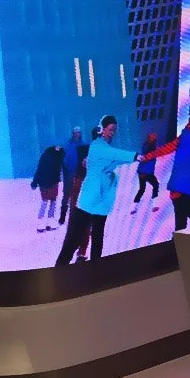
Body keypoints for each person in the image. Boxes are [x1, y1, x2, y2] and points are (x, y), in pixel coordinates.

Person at [56, 114, 133, 266]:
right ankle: (67, 262)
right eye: (109, 130)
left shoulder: (92, 149)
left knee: (92, 232)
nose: (111, 134)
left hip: (95, 197)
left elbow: (113, 161)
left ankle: (84, 259)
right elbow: (73, 165)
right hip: (85, 192)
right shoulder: (84, 148)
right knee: (80, 232)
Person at [31, 144, 63, 233]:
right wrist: (35, 182)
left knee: (47, 202)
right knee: (51, 202)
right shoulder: (58, 157)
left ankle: (43, 223)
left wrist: (34, 182)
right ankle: (47, 222)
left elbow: (39, 169)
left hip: (46, 182)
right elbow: (40, 169)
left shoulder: (46, 156)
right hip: (49, 182)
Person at [58, 127, 83, 224]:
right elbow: (64, 159)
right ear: (73, 134)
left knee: (79, 195)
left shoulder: (83, 144)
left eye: (79, 133)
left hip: (80, 174)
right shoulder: (68, 145)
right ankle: (62, 217)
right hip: (70, 174)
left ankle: (78, 217)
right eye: (76, 133)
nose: (78, 134)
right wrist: (68, 170)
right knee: (66, 196)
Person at [131, 132, 160, 210]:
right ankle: (154, 204)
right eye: (153, 138)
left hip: (142, 172)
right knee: (155, 185)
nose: (154, 140)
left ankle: (134, 207)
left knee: (142, 189)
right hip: (147, 172)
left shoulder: (146, 146)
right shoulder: (151, 149)